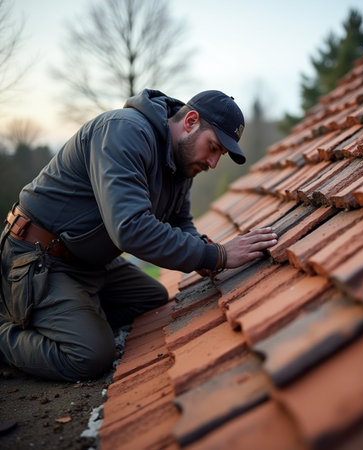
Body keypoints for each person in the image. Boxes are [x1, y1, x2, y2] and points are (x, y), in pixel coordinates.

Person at [0, 89, 278, 381]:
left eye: (219, 155)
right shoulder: (124, 131)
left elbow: (181, 221)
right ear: (191, 121)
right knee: (89, 355)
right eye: (213, 148)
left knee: (152, 299)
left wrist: (203, 252)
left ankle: (73, 314)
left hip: (89, 262)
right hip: (40, 257)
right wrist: (219, 255)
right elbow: (131, 229)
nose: (212, 164)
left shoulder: (181, 166)